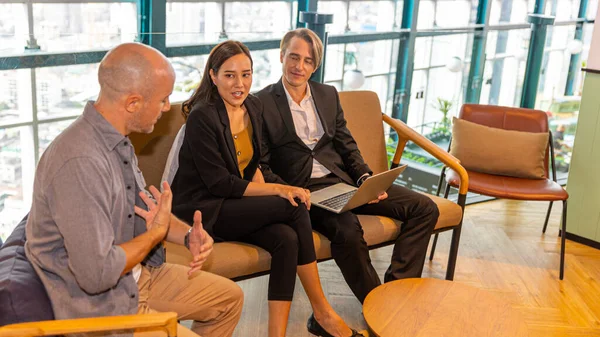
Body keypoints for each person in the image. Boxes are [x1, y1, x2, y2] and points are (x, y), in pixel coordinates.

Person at [24, 42, 243, 337]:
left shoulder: (117, 141)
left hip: (138, 278)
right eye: (163, 100)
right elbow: (97, 275)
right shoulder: (80, 162)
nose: (167, 108)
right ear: (133, 103)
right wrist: (155, 234)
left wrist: (188, 236)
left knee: (229, 299)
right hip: (102, 306)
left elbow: (148, 216)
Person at [170, 40, 362, 337]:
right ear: (213, 75)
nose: (240, 84)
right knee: (293, 207)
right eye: (230, 75)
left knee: (286, 238)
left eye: (246, 74)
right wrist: (280, 192)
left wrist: (284, 188)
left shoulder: (253, 106)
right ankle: (322, 311)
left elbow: (254, 166)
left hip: (234, 204)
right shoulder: (203, 116)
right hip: (204, 208)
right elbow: (221, 183)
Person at [256, 28, 440, 303]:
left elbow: (346, 145)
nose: (299, 66)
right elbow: (262, 163)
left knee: (424, 208)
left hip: (342, 183)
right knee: (349, 232)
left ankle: (398, 292)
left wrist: (366, 178)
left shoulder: (327, 94)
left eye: (307, 61)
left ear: (315, 66)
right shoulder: (261, 102)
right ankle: (377, 304)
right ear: (281, 56)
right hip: (305, 192)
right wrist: (289, 190)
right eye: (293, 57)